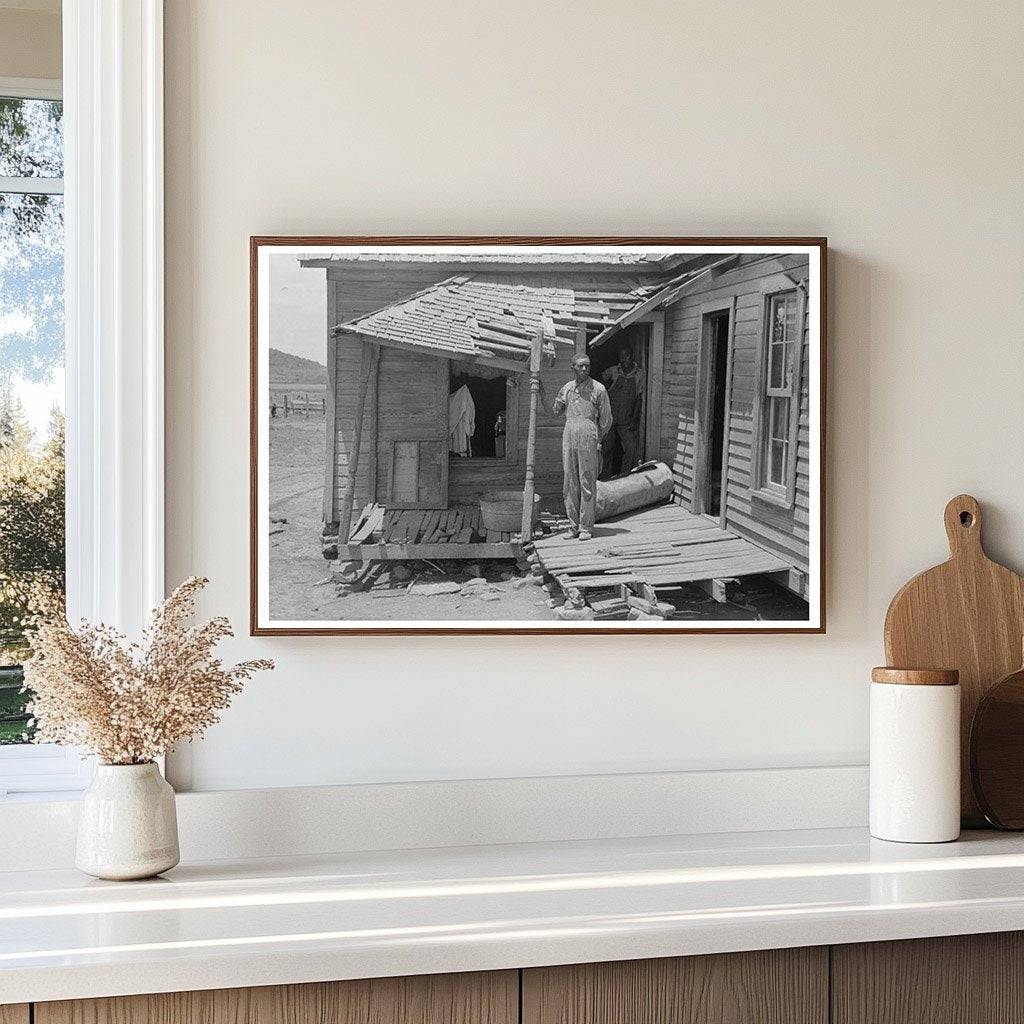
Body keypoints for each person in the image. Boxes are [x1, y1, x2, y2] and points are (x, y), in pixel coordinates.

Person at [542, 354, 611, 541]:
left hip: (588, 433)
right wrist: (541, 392)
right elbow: (554, 412)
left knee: (587, 480)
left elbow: (606, 420)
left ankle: (586, 527)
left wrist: (597, 438)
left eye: (587, 366)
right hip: (569, 433)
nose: (584, 370)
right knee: (570, 481)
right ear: (572, 368)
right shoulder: (567, 389)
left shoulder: (598, 389)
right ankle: (573, 526)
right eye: (580, 366)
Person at [602, 345, 645, 478]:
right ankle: (605, 477)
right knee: (607, 449)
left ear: (631, 357)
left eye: (626, 356)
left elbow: (639, 398)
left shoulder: (639, 374)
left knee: (631, 450)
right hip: (610, 417)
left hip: (626, 419)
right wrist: (608, 389)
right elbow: (601, 378)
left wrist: (635, 419)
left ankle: (624, 475)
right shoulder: (614, 371)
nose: (624, 359)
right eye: (621, 357)